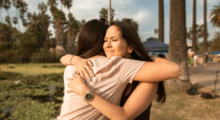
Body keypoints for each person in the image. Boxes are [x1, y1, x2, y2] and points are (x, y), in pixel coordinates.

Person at [57, 20, 181, 120]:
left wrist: (85, 91)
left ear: (130, 47)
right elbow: (64, 58)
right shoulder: (110, 67)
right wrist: (76, 60)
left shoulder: (134, 73)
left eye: (114, 40)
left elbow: (175, 69)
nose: (107, 45)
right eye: (105, 40)